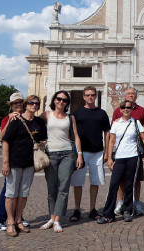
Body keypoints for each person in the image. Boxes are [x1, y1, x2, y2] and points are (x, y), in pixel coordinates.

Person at [97, 100, 144, 224]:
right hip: (119, 157)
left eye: (128, 107)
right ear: (120, 110)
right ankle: (108, 214)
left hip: (133, 156)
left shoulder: (136, 122)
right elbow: (111, 141)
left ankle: (127, 210)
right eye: (123, 107)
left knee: (129, 184)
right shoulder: (116, 124)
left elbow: (143, 138)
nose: (126, 109)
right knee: (114, 184)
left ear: (132, 109)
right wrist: (110, 157)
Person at [1, 95, 47, 237]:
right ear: (26, 105)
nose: (34, 105)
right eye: (31, 103)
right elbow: (5, 141)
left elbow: (44, 139)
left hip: (29, 163)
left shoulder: (39, 122)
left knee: (23, 194)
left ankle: (18, 219)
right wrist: (5, 163)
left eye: (37, 104)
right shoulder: (16, 120)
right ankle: (10, 222)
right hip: (14, 162)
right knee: (11, 194)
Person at [39, 91, 84, 232]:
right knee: (51, 188)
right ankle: (52, 217)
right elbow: (32, 124)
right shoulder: (46, 115)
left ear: (67, 103)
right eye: (59, 99)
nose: (61, 102)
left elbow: (76, 136)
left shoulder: (70, 117)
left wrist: (80, 155)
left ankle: (57, 219)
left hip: (67, 154)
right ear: (54, 100)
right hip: (50, 154)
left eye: (64, 100)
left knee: (63, 187)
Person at [69, 86, 111, 222]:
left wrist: (107, 151)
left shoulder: (102, 113)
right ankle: (77, 208)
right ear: (83, 97)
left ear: (96, 96)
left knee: (95, 181)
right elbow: (72, 132)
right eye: (87, 95)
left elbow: (107, 132)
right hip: (80, 152)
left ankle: (92, 208)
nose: (90, 97)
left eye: (92, 95)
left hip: (98, 152)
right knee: (78, 182)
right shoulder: (77, 113)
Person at [0, 93, 26, 231]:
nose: (18, 105)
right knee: (8, 190)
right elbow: (2, 137)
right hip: (12, 159)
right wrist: (11, 120)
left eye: (20, 102)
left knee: (19, 191)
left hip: (24, 159)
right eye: (15, 103)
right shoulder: (7, 118)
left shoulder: (25, 118)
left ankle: (18, 218)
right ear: (11, 105)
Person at [111, 87, 144, 216]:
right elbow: (112, 133)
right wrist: (109, 154)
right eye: (128, 94)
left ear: (136, 97)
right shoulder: (118, 110)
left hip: (135, 152)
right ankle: (120, 202)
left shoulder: (142, 111)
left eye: (133, 94)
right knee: (121, 180)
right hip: (121, 152)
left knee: (136, 179)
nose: (131, 95)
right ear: (125, 96)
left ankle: (136, 203)